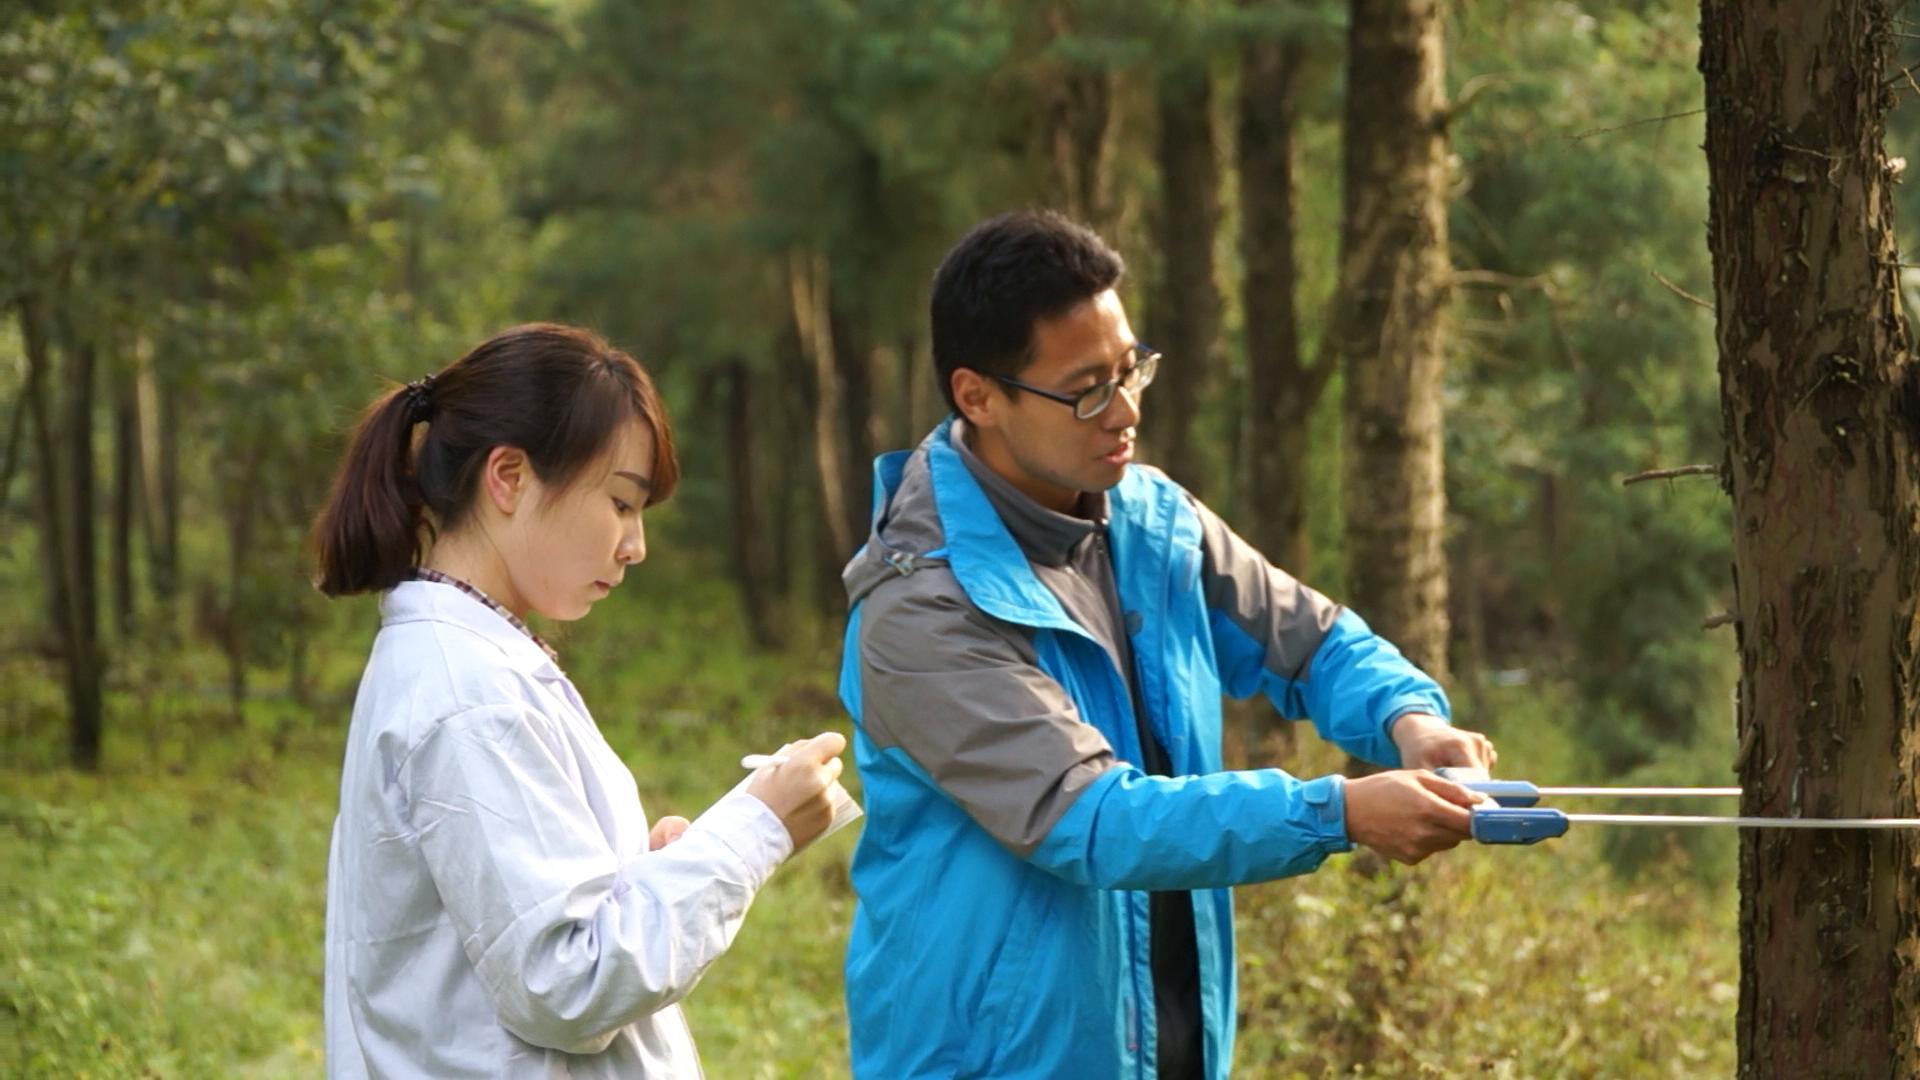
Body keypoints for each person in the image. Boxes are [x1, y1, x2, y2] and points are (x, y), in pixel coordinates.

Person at [837, 212, 1498, 1079]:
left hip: (1166, 1042)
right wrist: (1336, 813)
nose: (1125, 410)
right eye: (1085, 390)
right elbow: (1094, 821)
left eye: (1130, 369)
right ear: (977, 396)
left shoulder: (1152, 520)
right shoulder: (922, 612)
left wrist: (1410, 719)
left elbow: (1312, 641)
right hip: (990, 1058)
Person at [314, 322, 846, 1078]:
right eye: (623, 504)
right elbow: (568, 981)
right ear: (509, 478)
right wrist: (755, 833)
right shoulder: (471, 693)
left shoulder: (473, 660)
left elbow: (521, 921)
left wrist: (654, 873)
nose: (636, 546)